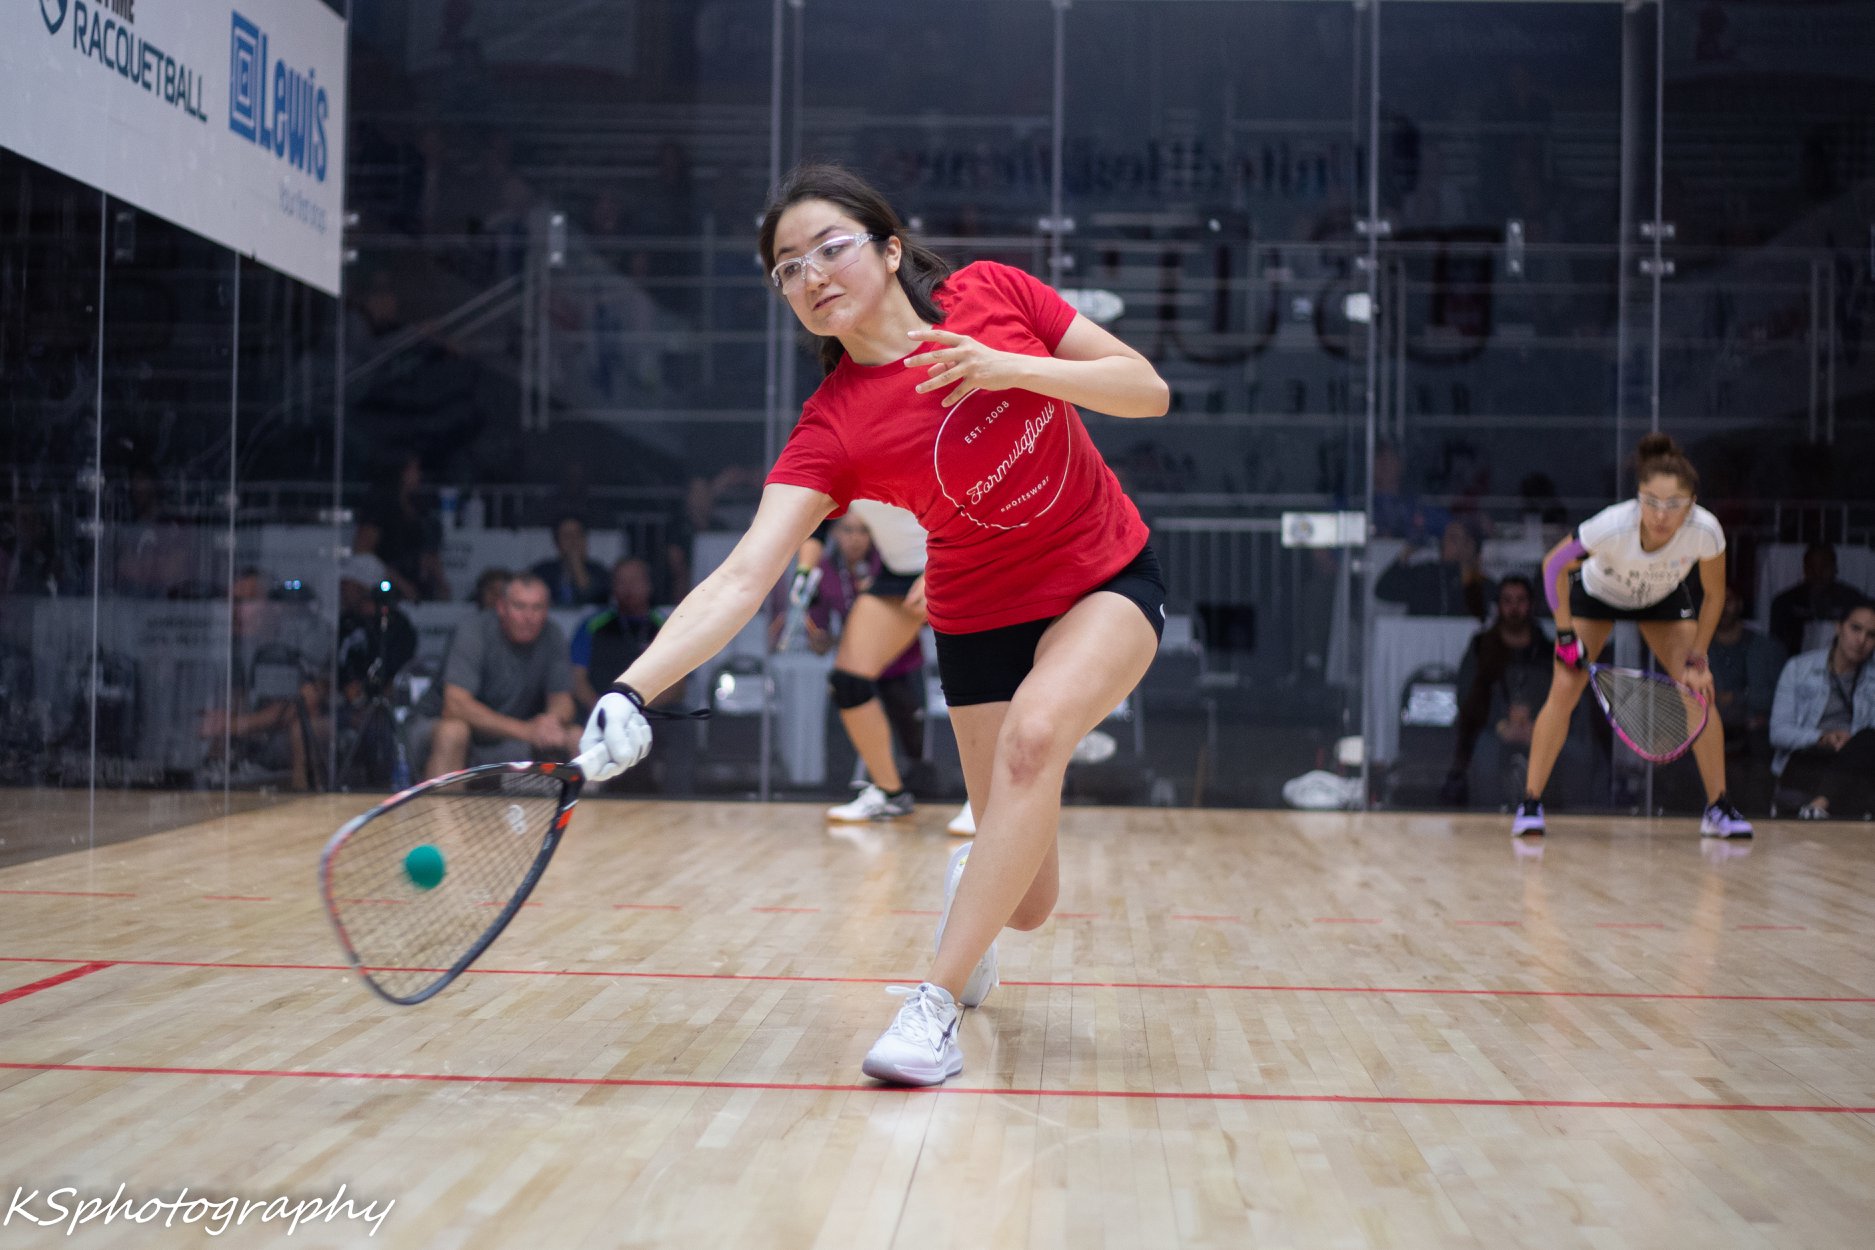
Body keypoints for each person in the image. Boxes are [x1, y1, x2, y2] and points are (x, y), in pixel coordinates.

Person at [576, 163, 1170, 1086]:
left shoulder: (993, 293)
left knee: (1034, 740)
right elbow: (742, 577)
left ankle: (930, 1013)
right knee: (1030, 905)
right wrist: (632, 686)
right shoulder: (834, 428)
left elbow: (1144, 388)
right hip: (978, 620)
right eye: (787, 267)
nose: (811, 275)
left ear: (890, 250)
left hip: (1106, 576)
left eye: (830, 247)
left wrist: (1005, 365)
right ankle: (974, 905)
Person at [1514, 433, 1753, 839]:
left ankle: (1719, 807)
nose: (1660, 515)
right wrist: (1565, 634)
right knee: (1565, 686)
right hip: (1598, 596)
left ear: (1691, 503)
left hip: (1660, 599)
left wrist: (1698, 658)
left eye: (1673, 505)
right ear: (1638, 498)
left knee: (1698, 691)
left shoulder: (1706, 531)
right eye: (1651, 502)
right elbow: (1554, 567)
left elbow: (1714, 595)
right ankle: (1531, 803)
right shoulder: (1612, 526)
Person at [420, 572, 581, 777]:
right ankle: (439, 810)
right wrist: (525, 730)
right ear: (501, 608)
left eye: (537, 608)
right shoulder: (474, 630)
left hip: (513, 734)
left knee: (576, 736)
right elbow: (455, 705)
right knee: (454, 731)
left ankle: (584, 809)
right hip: (440, 728)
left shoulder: (553, 634)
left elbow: (563, 700)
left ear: (547, 610)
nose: (528, 617)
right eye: (520, 606)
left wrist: (551, 721)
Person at [1441, 575, 1552, 806]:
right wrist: (1500, 723)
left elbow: (1560, 695)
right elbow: (1466, 695)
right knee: (1482, 748)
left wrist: (1537, 725)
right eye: (1507, 601)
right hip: (1491, 728)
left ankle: (1546, 811)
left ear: (1531, 605)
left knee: (1571, 750)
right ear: (1499, 606)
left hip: (1539, 728)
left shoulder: (1546, 649)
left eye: (1520, 601)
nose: (1514, 608)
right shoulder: (1481, 646)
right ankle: (1486, 816)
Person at [1769, 602, 1875, 820]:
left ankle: (1819, 805)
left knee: (1867, 738)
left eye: (1871, 635)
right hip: (1808, 758)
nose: (1861, 640)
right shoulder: (1799, 668)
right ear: (1839, 627)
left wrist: (1851, 743)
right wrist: (1822, 737)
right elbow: (1778, 733)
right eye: (1855, 628)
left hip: (1854, 764)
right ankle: (1820, 806)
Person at [1708, 584, 1785, 808]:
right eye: (1716, 600)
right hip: (1710, 732)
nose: (1722, 607)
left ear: (1740, 604)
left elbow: (1782, 698)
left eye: (1728, 600)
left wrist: (1735, 699)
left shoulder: (1768, 648)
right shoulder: (1697, 649)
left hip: (1756, 737)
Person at [570, 557, 670, 717]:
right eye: (621, 581)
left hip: (649, 713)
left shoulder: (667, 626)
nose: (629, 587)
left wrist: (637, 711)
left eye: (635, 580)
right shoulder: (591, 625)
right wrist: (599, 707)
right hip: (598, 711)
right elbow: (577, 679)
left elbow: (678, 687)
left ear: (649, 585)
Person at [356, 455, 449, 602]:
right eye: (413, 470)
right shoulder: (378, 508)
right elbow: (363, 553)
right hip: (384, 587)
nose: (418, 475)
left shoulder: (420, 509)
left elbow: (430, 555)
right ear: (399, 473)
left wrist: (442, 585)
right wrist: (400, 583)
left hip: (420, 587)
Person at [1375, 518, 1493, 619]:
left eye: (1453, 538)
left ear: (1469, 545)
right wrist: (1405, 554)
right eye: (1444, 537)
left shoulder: (1480, 583)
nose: (1445, 542)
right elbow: (1383, 591)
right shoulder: (1425, 573)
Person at [1769, 542, 1866, 658]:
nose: (1817, 573)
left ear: (1835, 567)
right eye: (1812, 567)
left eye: (1824, 566)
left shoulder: (1853, 600)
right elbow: (1776, 645)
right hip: (1797, 665)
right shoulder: (1785, 602)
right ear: (1804, 569)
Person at [531, 514, 611, 608]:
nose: (573, 540)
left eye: (578, 534)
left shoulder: (600, 571)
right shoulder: (542, 572)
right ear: (557, 543)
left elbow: (595, 601)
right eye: (567, 536)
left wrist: (577, 566)